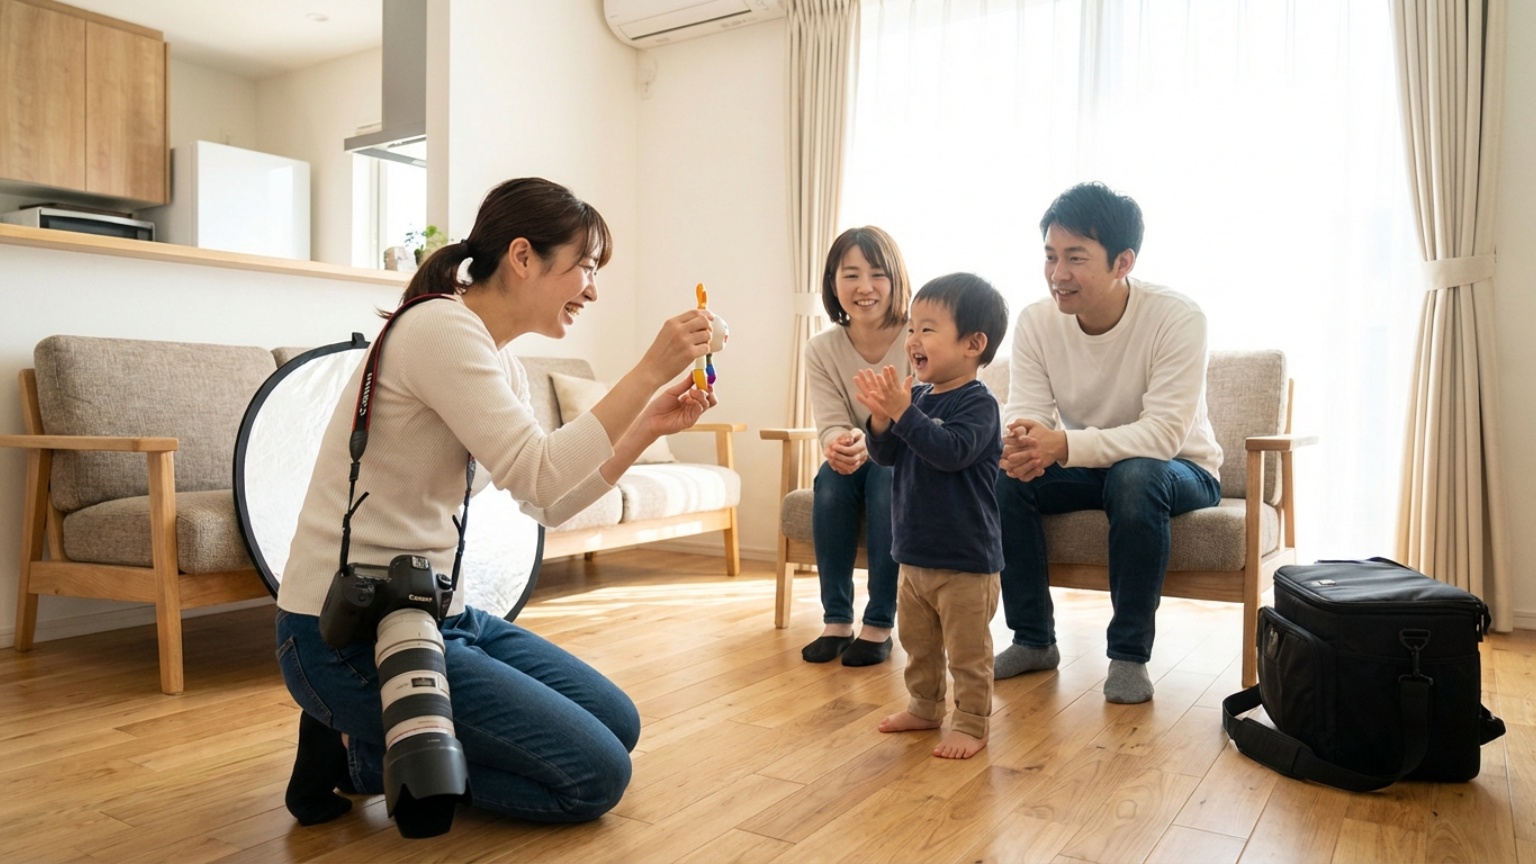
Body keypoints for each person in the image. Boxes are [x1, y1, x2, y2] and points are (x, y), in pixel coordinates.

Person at [275, 177, 719, 826]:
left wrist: (648, 424)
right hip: (346, 633)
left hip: (435, 612)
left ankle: (363, 740)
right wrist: (650, 368)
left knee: (618, 723)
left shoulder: (497, 361)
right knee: (595, 777)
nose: (592, 289)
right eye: (584, 268)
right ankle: (359, 757)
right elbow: (541, 474)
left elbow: (547, 504)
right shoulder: (439, 330)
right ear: (521, 257)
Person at [992, 181, 1222, 704]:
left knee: (1135, 473)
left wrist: (1063, 446)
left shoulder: (1177, 317)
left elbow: (1163, 435)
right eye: (1050, 256)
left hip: (1179, 469)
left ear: (1123, 262)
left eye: (1075, 258)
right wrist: (1026, 443)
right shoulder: (1035, 320)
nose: (1058, 274)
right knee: (1006, 476)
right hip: (1092, 469)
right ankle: (1031, 640)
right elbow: (1027, 409)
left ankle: (1127, 656)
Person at [855, 272, 1008, 759]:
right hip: (914, 556)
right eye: (912, 329)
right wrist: (881, 420)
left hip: (966, 561)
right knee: (918, 644)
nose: (913, 340)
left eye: (928, 328)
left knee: (968, 654)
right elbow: (886, 456)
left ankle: (971, 722)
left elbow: (950, 451)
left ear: (973, 344)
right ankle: (925, 707)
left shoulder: (979, 405)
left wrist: (903, 414)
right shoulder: (915, 400)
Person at [799, 226, 913, 667]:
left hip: (911, 459)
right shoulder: (821, 348)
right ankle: (837, 621)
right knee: (830, 478)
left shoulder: (917, 336)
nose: (864, 288)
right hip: (856, 457)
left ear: (895, 280)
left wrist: (870, 442)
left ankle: (880, 623)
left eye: (877, 274)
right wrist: (838, 444)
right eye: (850, 275)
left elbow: (922, 417)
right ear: (833, 283)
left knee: (886, 473)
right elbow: (830, 422)